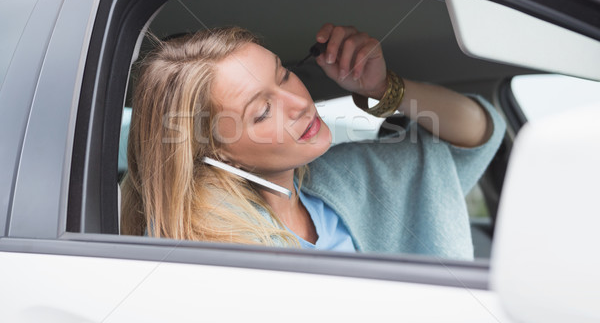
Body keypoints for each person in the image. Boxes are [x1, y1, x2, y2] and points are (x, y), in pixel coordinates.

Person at [120, 24, 505, 260]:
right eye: (262, 111)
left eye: (284, 75)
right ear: (218, 152)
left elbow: (479, 134)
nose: (301, 104)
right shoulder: (210, 253)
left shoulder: (345, 180)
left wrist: (384, 88)